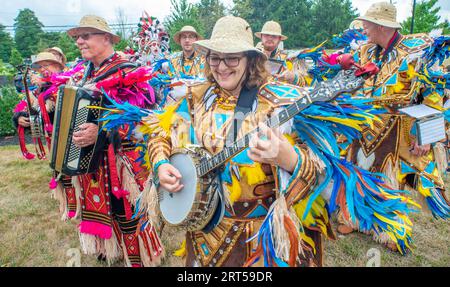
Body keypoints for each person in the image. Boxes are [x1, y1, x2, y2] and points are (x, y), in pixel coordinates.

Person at [142, 15, 415, 267]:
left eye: (232, 58)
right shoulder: (195, 96)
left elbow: (327, 177)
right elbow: (159, 133)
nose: (222, 67)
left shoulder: (286, 103)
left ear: (250, 59)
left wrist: (289, 158)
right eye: (215, 58)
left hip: (263, 245)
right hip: (203, 240)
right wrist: (161, 162)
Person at [53, 14, 163, 267]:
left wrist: (100, 131)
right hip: (95, 163)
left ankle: (139, 259)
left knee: (128, 212)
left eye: (86, 35)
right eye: (77, 37)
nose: (79, 41)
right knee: (108, 209)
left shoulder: (129, 71)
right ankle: (112, 251)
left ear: (106, 38)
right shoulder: (85, 74)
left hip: (124, 162)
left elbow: (146, 118)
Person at [338, 2, 450, 248]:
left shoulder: (416, 50)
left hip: (397, 128)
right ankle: (355, 219)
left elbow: (433, 93)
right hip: (363, 125)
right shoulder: (366, 50)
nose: (363, 27)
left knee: (390, 179)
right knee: (357, 172)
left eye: (367, 23)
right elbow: (342, 75)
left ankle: (391, 229)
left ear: (380, 25)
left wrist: (425, 135)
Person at [255, 20, 307, 86]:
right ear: (261, 37)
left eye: (274, 36)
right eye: (267, 35)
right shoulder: (251, 56)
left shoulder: (289, 58)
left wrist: (293, 77)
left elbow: (305, 84)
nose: (270, 38)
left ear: (279, 39)